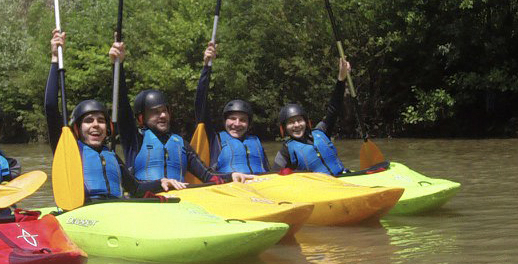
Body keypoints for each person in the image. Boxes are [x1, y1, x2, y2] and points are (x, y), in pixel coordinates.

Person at [44, 30, 175, 200]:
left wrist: (161, 182)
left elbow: (135, 188)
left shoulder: (112, 156)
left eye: (101, 121)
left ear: (108, 128)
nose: (96, 125)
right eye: (88, 121)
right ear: (77, 128)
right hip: (85, 214)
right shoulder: (69, 151)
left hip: (114, 212)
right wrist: (55, 58)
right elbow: (50, 107)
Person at [108, 41, 254, 186]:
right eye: (156, 112)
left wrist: (231, 176)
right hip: (147, 201)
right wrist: (118, 65)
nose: (163, 116)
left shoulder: (181, 144)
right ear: (141, 118)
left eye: (165, 110)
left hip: (180, 203)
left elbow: (207, 176)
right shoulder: (134, 140)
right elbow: (122, 107)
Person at [193, 42, 270, 174]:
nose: (237, 124)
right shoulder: (215, 140)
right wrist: (206, 67)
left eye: (243, 120)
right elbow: (201, 104)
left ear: (249, 124)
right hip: (230, 190)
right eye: (232, 119)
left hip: (259, 188)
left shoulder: (255, 142)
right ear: (224, 121)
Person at [272, 58, 351, 175]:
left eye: (299, 120)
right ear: (284, 128)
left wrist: (341, 79)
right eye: (291, 122)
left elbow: (334, 108)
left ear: (306, 122)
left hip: (344, 177)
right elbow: (274, 176)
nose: (296, 125)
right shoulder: (286, 151)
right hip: (320, 190)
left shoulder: (321, 131)